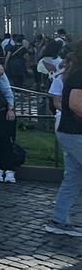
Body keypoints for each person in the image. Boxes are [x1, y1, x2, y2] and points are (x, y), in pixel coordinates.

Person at [47, 40, 82, 237]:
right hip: (76, 133)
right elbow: (76, 104)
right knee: (73, 177)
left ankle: (58, 219)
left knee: (73, 177)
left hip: (69, 132)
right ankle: (58, 220)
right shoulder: (79, 74)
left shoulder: (75, 72)